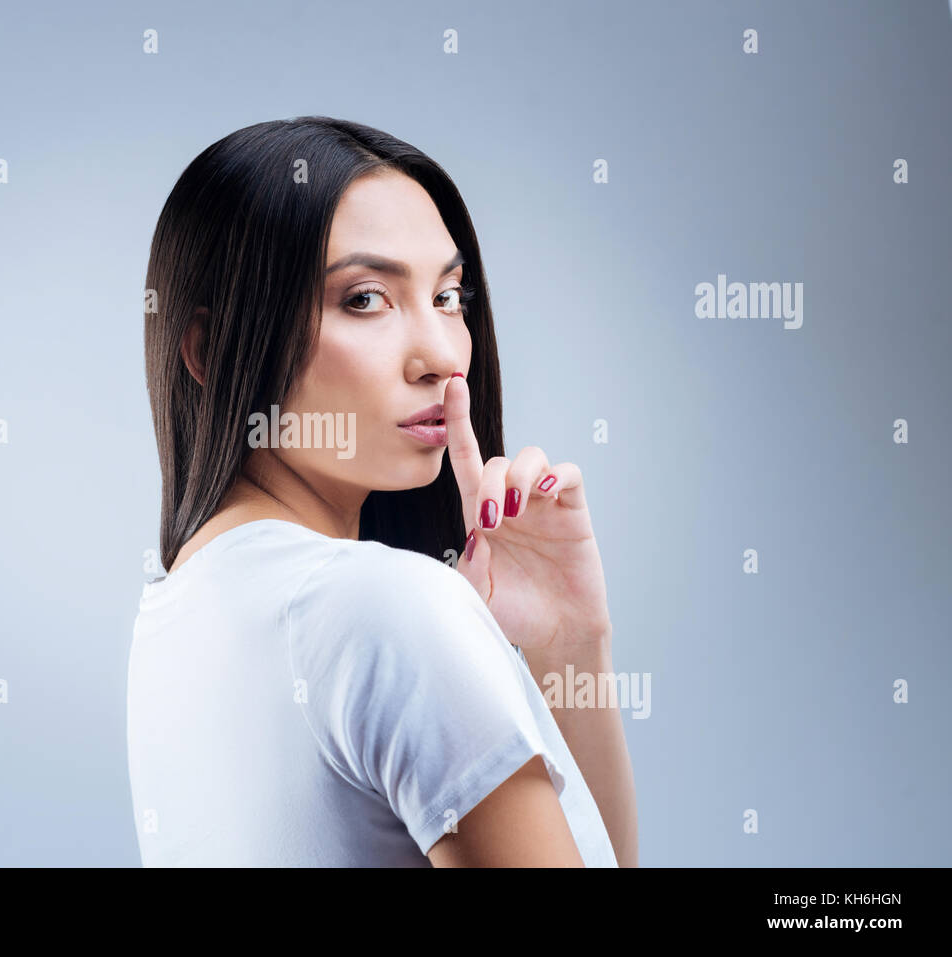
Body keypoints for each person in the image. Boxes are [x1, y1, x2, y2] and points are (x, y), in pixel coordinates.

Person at [129, 116, 637, 866]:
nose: (441, 355)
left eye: (449, 296)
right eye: (364, 299)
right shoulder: (387, 604)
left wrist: (569, 646)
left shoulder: (173, 612)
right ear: (209, 348)